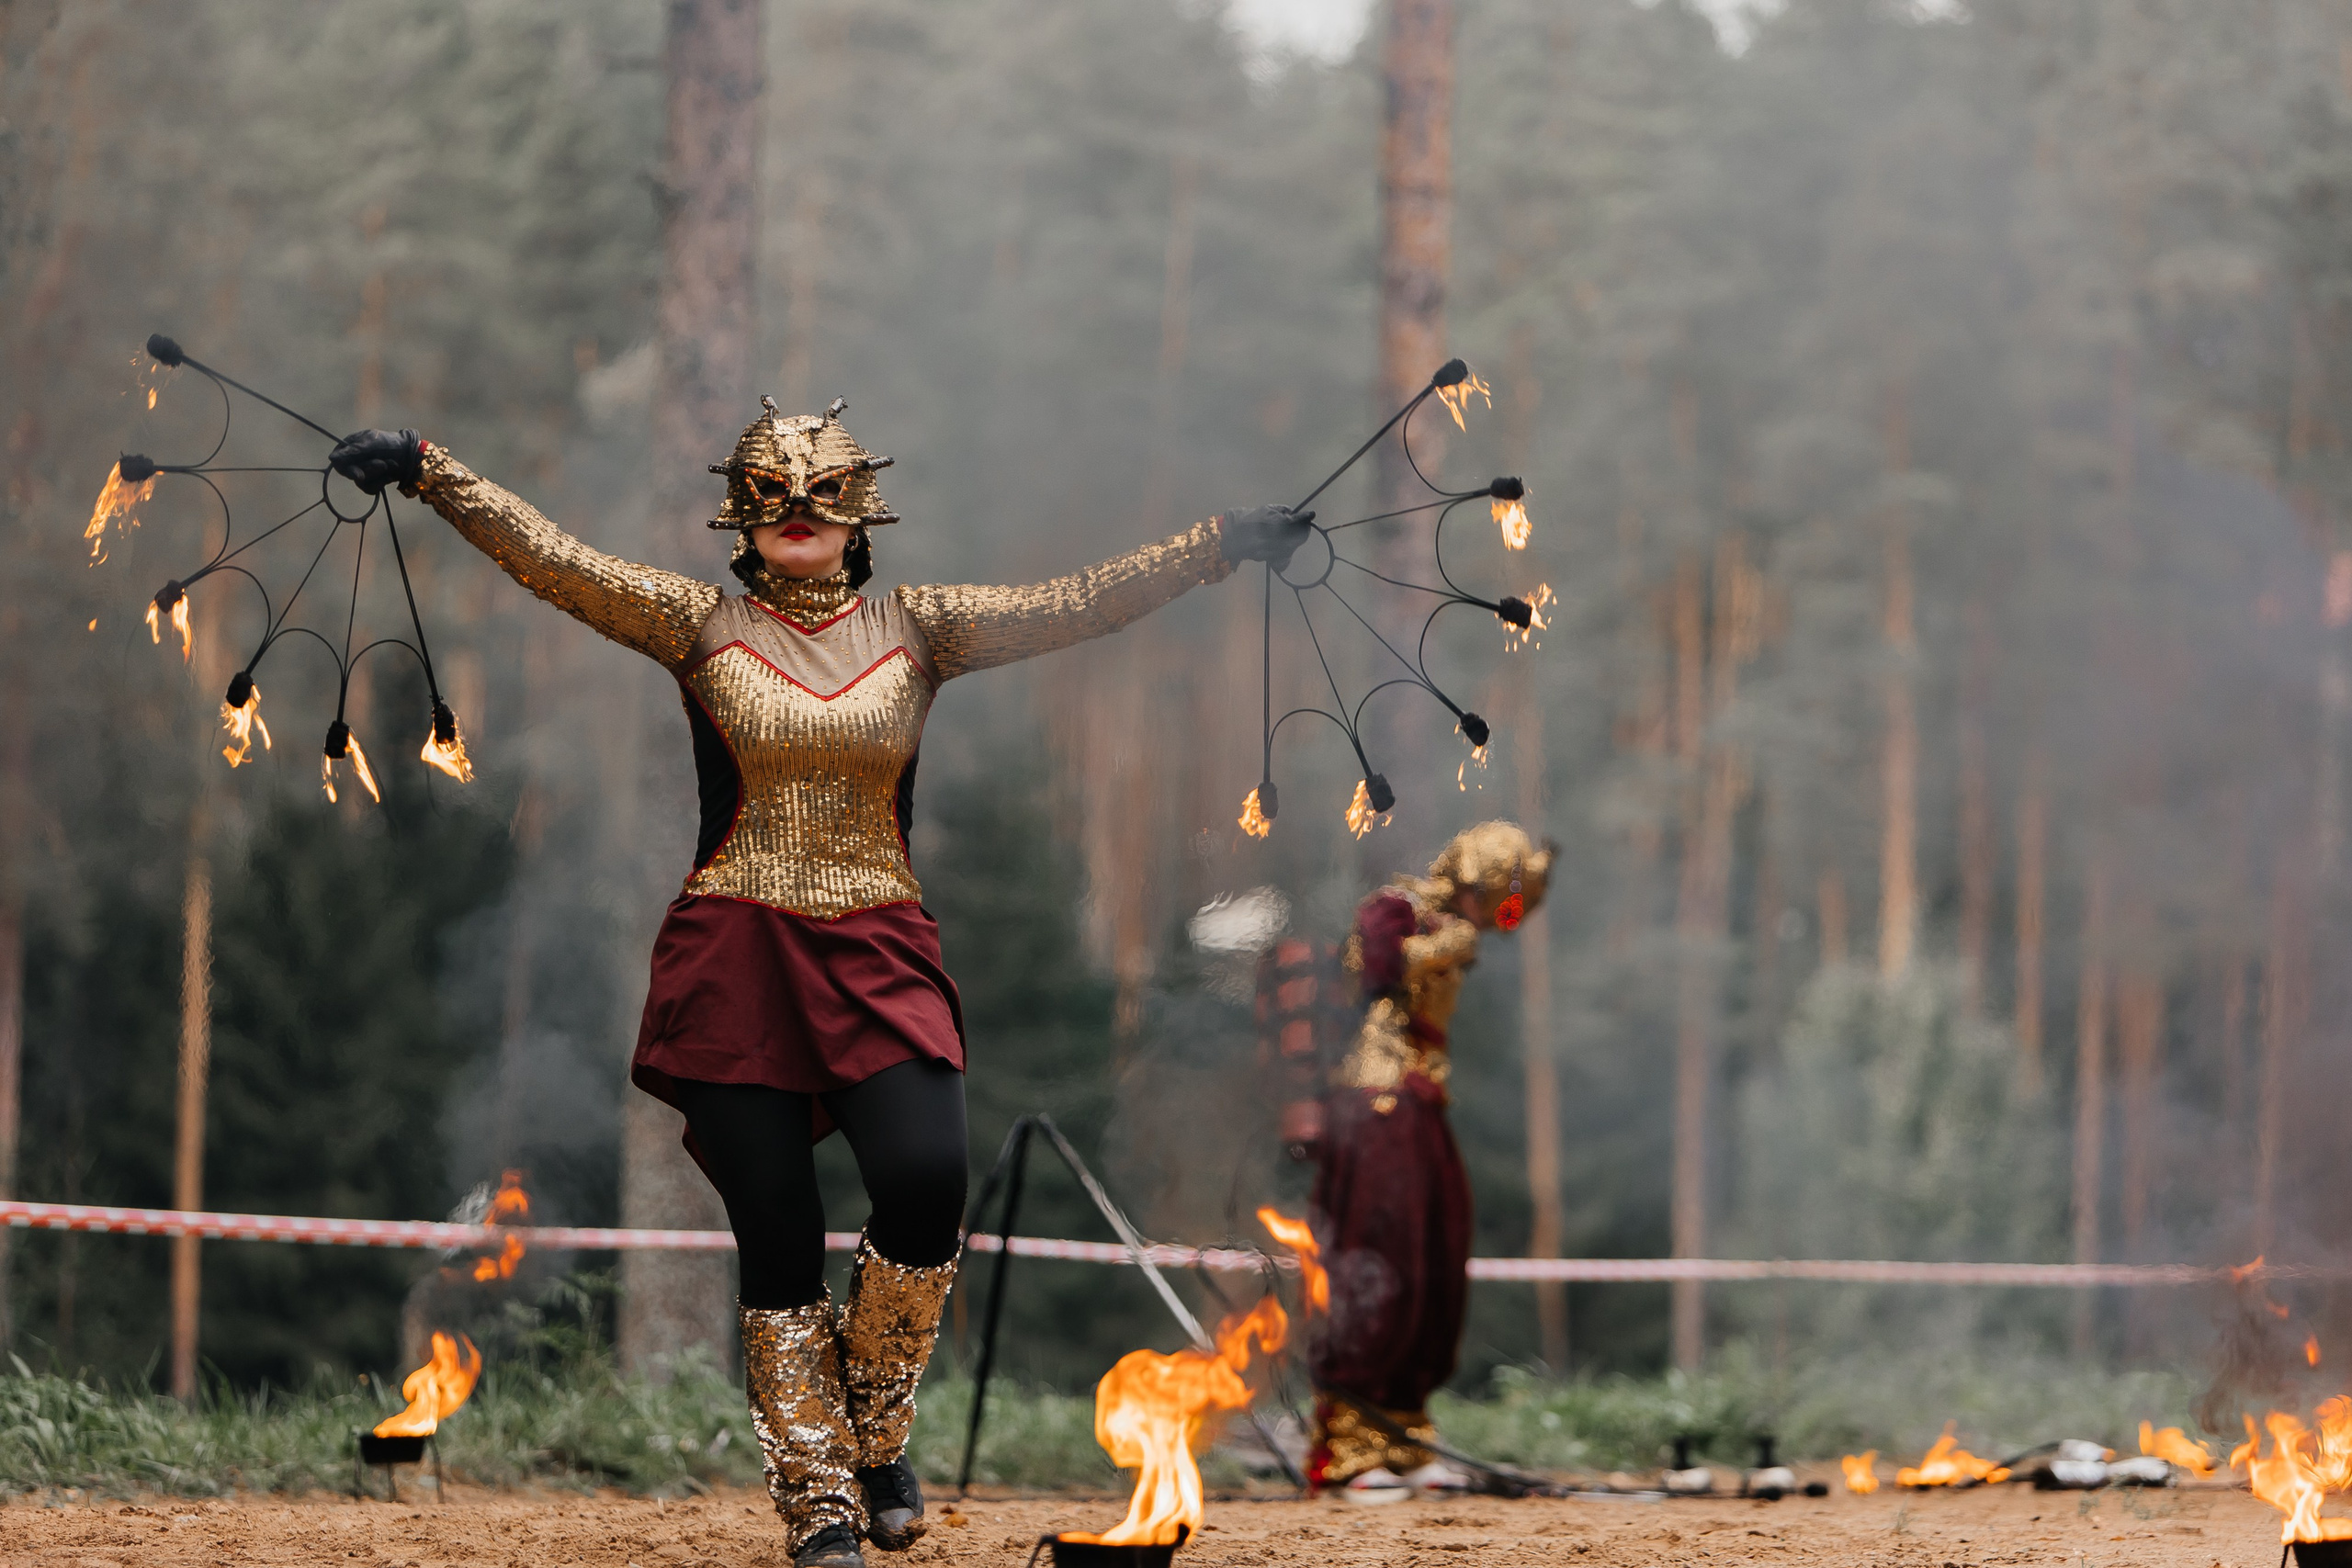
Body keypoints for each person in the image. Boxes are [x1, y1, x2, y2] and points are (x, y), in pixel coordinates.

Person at [329, 406, 1310, 1568]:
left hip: (881, 946)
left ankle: (875, 1430)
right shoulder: (696, 624)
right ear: (741, 511)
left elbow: (1073, 602)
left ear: (861, 510)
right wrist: (433, 473)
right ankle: (820, 1502)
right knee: (778, 1233)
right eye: (774, 493)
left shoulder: (923, 629)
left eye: (824, 493)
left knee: (925, 1180)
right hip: (735, 955)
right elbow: (553, 560)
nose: (799, 512)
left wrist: (1217, 544)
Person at [1305, 820, 1554, 1501]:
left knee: (1436, 1257)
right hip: (1374, 1103)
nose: (1500, 920)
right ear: (1474, 877)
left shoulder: (1454, 925)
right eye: (1501, 899)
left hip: (1422, 1101)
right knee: (1378, 1254)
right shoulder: (1395, 907)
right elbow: (1376, 973)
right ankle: (1354, 1439)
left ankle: (1406, 1429)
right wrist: (1448, 941)